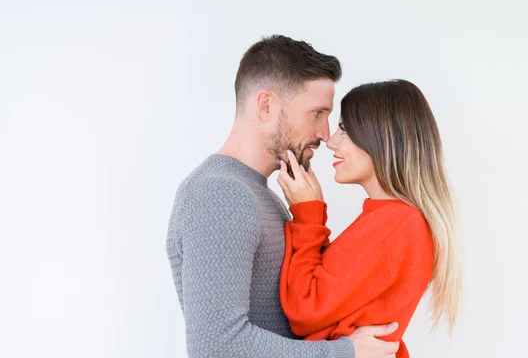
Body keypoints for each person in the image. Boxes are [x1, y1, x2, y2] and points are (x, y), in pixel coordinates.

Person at [166, 35, 401, 358]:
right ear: (266, 105)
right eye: (317, 113)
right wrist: (345, 353)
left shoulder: (263, 196)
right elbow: (217, 346)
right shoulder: (220, 193)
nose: (325, 133)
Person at [277, 79, 462, 358]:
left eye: (345, 130)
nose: (330, 141)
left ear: (382, 137)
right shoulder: (396, 219)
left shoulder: (397, 224)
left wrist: (308, 215)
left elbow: (306, 310)